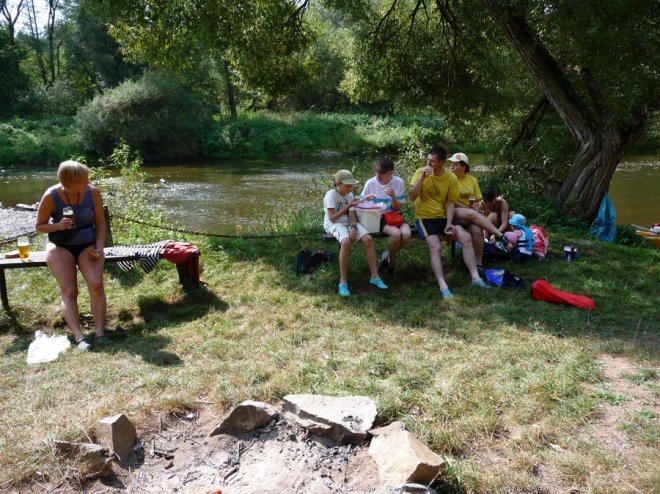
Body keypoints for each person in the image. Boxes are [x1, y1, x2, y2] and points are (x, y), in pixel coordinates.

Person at [35, 161, 108, 350]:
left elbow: (100, 223)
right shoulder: (50, 196)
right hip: (59, 245)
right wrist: (58, 226)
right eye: (84, 179)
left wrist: (99, 246)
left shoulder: (93, 192)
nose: (88, 181)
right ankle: (79, 337)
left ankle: (100, 333)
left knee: (96, 284)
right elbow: (39, 227)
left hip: (88, 244)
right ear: (70, 181)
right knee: (69, 291)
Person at [409, 147, 490, 299]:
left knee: (466, 238)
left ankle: (476, 278)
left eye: (432, 161)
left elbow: (450, 203)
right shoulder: (420, 172)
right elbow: (412, 197)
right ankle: (443, 285)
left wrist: (449, 223)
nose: (428, 163)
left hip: (444, 216)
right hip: (424, 218)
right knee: (436, 247)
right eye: (428, 160)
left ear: (442, 162)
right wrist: (422, 178)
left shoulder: (450, 177)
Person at [323, 169, 388, 297]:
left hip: (348, 223)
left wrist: (353, 227)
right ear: (338, 184)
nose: (350, 188)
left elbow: (352, 215)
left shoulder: (350, 195)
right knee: (346, 242)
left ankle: (375, 277)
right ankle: (343, 282)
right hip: (334, 224)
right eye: (348, 185)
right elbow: (332, 218)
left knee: (368, 239)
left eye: (351, 185)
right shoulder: (331, 194)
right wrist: (348, 206)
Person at [447, 153, 508, 268]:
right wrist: (469, 210)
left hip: (470, 215)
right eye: (451, 163)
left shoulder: (472, 180)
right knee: (472, 214)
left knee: (477, 232)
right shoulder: (448, 179)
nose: (451, 166)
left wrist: (475, 205)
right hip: (453, 213)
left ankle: (478, 263)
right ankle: (499, 235)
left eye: (455, 164)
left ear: (464, 166)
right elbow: (450, 201)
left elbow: (475, 199)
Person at [360, 157, 411, 274]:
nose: (378, 177)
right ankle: (391, 262)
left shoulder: (398, 182)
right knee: (396, 234)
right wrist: (366, 198)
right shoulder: (370, 183)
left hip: (394, 216)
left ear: (390, 173)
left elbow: (397, 208)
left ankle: (387, 255)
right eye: (376, 174)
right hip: (378, 217)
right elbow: (359, 201)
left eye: (381, 175)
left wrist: (393, 197)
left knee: (407, 234)